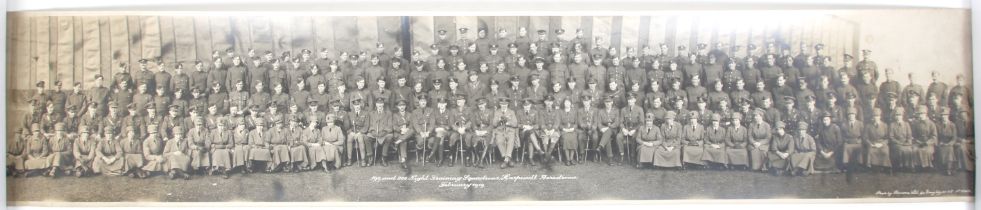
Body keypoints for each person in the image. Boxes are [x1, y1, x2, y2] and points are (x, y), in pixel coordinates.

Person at [493, 98, 519, 168]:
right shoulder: (497, 112)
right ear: (500, 104)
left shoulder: (511, 112)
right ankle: (507, 159)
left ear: (507, 104)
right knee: (499, 140)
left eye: (505, 104)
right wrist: (498, 121)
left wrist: (508, 122)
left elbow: (515, 124)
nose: (503, 106)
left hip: (509, 130)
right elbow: (494, 124)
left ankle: (505, 160)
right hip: (500, 131)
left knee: (511, 140)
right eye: (502, 104)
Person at [910, 106, 937, 172]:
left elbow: (934, 136)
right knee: (914, 150)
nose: (920, 115)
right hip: (918, 142)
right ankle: (917, 166)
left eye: (922, 114)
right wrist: (917, 141)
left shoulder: (931, 124)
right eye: (919, 114)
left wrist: (927, 143)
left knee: (927, 151)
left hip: (928, 143)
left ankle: (927, 166)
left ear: (926, 114)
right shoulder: (916, 123)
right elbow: (913, 135)